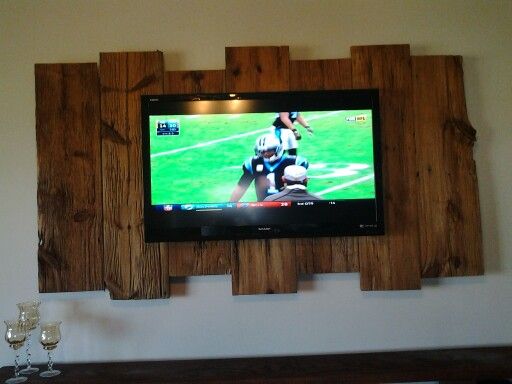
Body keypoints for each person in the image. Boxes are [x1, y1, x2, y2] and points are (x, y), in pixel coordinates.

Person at [230, 134, 309, 202]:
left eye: (269, 150)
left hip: (288, 204)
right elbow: (242, 186)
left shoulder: (294, 162)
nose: (266, 153)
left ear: (278, 149)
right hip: (263, 206)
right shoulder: (253, 163)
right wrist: (231, 204)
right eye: (262, 151)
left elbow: (300, 189)